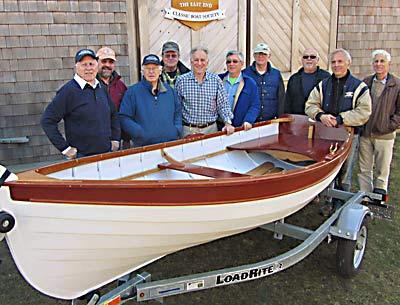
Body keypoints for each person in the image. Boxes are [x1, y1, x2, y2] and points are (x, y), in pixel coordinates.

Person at [305, 48, 371, 192]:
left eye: (340, 61)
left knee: (345, 171)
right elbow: (310, 105)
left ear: (348, 63)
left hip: (349, 135)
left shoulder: (359, 87)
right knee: (326, 167)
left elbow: (364, 112)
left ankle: (340, 200)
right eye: (333, 62)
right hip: (326, 134)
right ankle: (327, 198)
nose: (336, 65)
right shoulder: (323, 85)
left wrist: (341, 119)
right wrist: (320, 116)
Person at [41, 48, 120, 159]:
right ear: (76, 67)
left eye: (91, 64)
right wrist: (65, 148)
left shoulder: (101, 87)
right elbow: (47, 120)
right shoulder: (68, 91)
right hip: (81, 158)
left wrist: (115, 139)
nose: (88, 68)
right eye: (84, 64)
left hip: (106, 154)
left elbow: (113, 114)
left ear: (97, 65)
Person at [358, 50, 400, 195]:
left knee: (382, 169)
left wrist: (389, 125)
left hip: (385, 135)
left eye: (382, 61)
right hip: (366, 133)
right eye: (376, 61)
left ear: (389, 64)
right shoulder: (366, 82)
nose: (379, 64)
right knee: (364, 168)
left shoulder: (397, 84)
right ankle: (365, 195)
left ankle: (380, 196)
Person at [119, 54, 182, 147]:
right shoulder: (132, 92)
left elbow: (177, 112)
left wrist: (176, 130)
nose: (151, 72)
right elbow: (124, 117)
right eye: (148, 68)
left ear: (160, 71)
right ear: (142, 71)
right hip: (144, 147)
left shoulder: (170, 91)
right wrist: (139, 132)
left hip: (169, 145)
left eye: (155, 68)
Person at [175, 46, 234, 137]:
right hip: (188, 130)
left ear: (207, 62)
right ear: (191, 62)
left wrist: (227, 123)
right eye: (196, 60)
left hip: (210, 130)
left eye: (202, 60)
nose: (199, 63)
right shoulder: (181, 80)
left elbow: (223, 105)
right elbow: (177, 107)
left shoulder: (216, 80)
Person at [96, 46, 130, 148]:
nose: (107, 65)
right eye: (104, 61)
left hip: (117, 141)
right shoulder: (90, 85)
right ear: (96, 62)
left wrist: (126, 138)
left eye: (110, 62)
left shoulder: (121, 86)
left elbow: (126, 113)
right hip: (95, 141)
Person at [218, 50, 260, 130]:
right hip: (220, 127)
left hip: (240, 127)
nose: (231, 64)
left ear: (242, 64)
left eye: (235, 61)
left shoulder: (249, 83)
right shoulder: (219, 80)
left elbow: (255, 105)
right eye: (229, 62)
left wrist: (248, 120)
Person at [243, 42, 285, 121]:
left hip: (271, 121)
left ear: (269, 56)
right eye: (258, 53)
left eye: (264, 54)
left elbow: (281, 97)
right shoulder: (245, 74)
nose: (260, 56)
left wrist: (280, 118)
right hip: (250, 122)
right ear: (254, 55)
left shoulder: (276, 74)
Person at [284, 48, 330, 114]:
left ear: (317, 60)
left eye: (312, 57)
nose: (309, 59)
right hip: (298, 119)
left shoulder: (326, 77)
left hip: (318, 119)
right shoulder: (294, 79)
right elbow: (287, 102)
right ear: (302, 60)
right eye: (305, 57)